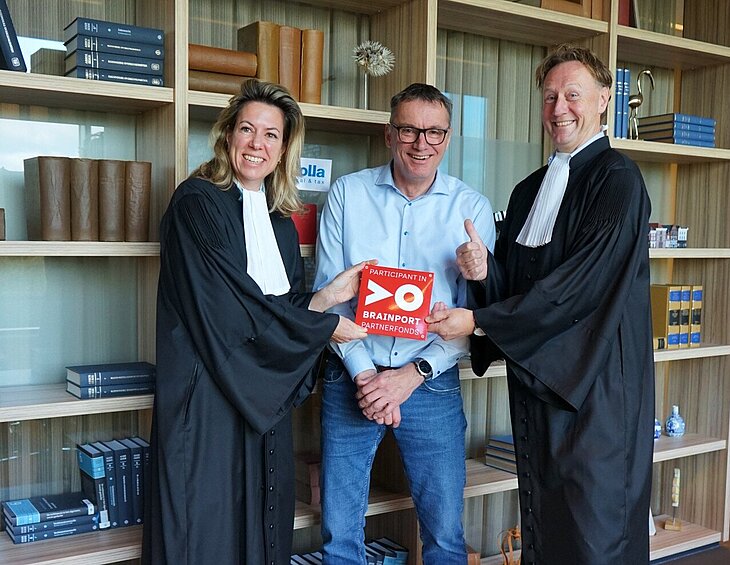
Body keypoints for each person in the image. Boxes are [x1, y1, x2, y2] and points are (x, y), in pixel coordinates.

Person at [427, 44, 655, 564]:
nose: (559, 108)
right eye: (550, 97)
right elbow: (518, 284)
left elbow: (581, 285)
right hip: (538, 384)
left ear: (604, 99)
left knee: (594, 532)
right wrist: (484, 272)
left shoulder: (618, 178)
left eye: (573, 95)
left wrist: (479, 320)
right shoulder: (528, 190)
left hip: (596, 392)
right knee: (545, 524)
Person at [143, 79, 371, 565]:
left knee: (262, 528)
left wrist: (327, 298)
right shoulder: (196, 203)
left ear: (284, 148)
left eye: (271, 135)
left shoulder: (281, 221)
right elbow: (228, 309)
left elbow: (278, 306)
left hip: (262, 398)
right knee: (205, 532)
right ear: (228, 134)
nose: (257, 144)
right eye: (247, 129)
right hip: (205, 400)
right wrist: (324, 328)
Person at [314, 83, 496, 564]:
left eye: (435, 132)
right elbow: (329, 302)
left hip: (430, 380)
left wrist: (409, 376)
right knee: (339, 537)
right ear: (389, 134)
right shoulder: (347, 194)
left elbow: (472, 318)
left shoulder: (472, 209)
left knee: (445, 536)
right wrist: (367, 377)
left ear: (448, 138)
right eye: (410, 130)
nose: (422, 143)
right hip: (351, 377)